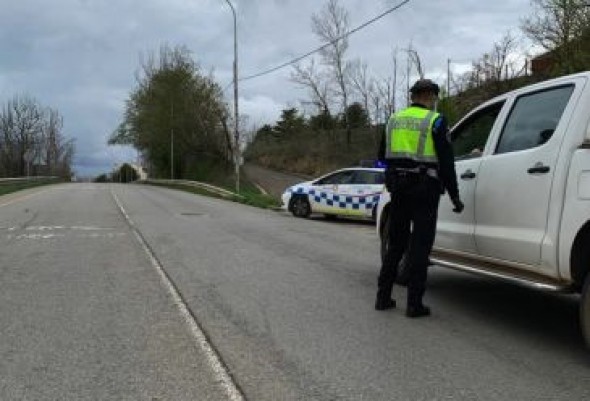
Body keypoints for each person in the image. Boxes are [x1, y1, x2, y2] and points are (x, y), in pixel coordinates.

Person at [375, 78, 464, 317]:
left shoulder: (393, 120)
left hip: (399, 189)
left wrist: (397, 170)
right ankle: (414, 305)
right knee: (420, 247)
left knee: (396, 245)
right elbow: (446, 163)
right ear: (431, 97)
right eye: (434, 97)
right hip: (425, 190)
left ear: (413, 96)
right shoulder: (435, 121)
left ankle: (383, 298)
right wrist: (455, 196)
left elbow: (381, 156)